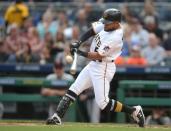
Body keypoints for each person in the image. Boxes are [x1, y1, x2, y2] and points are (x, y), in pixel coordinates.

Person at [46, 8, 145, 127]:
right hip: (94, 64)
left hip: (103, 67)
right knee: (75, 88)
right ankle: (57, 117)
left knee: (103, 103)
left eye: (107, 23)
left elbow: (98, 55)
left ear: (116, 23)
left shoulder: (115, 37)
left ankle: (134, 111)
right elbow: (92, 30)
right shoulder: (107, 24)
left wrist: (80, 52)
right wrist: (78, 42)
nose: (104, 24)